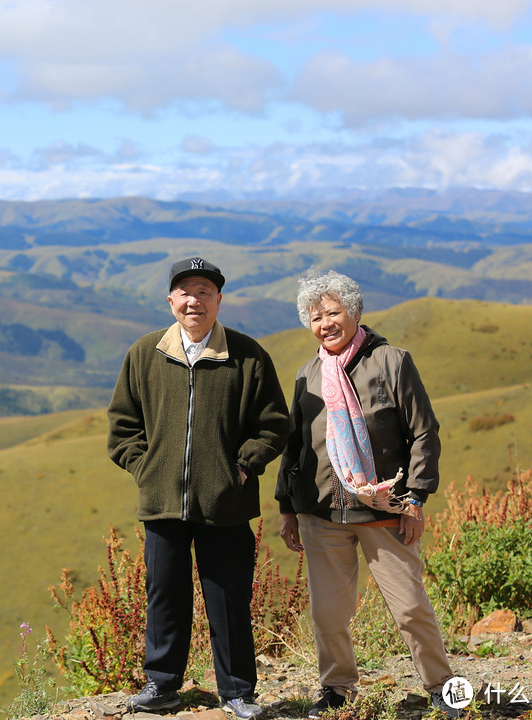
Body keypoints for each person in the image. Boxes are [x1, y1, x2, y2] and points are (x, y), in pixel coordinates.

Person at [108, 257, 290, 719]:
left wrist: (243, 469)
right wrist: (146, 468)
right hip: (162, 502)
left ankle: (237, 693)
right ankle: (162, 685)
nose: (195, 301)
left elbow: (273, 425)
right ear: (171, 301)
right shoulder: (145, 353)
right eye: (186, 292)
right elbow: (123, 427)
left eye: (205, 291)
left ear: (219, 301)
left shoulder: (248, 355)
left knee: (228, 599)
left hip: (226, 504)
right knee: (164, 596)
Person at [274, 268, 460, 719]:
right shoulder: (309, 373)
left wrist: (415, 498)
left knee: (411, 608)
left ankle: (443, 689)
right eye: (316, 317)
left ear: (355, 312)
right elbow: (295, 445)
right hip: (321, 512)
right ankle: (337, 688)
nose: (326, 324)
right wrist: (288, 508)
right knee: (328, 615)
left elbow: (424, 433)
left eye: (334, 312)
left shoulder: (392, 361)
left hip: (384, 511)